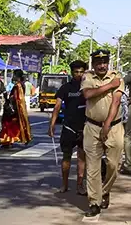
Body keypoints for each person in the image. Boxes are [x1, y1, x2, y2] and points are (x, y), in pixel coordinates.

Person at [81, 48, 125, 218]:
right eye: (98, 63)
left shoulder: (117, 76)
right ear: (93, 64)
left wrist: (107, 125)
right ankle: (94, 202)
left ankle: (105, 191)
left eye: (104, 62)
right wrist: (109, 86)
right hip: (92, 127)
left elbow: (116, 101)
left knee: (114, 165)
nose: (101, 65)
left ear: (108, 63)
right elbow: (87, 94)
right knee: (92, 167)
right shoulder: (88, 77)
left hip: (113, 127)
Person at [49, 60, 88, 195]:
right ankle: (64, 184)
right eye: (76, 72)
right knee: (66, 157)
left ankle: (80, 185)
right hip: (68, 127)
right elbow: (57, 106)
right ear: (71, 72)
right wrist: (52, 125)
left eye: (81, 71)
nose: (78, 74)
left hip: (84, 127)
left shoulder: (88, 87)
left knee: (82, 158)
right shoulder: (65, 88)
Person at [0, 69, 33, 147]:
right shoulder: (21, 85)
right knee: (14, 125)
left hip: (14, 109)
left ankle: (7, 140)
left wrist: (7, 97)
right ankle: (10, 139)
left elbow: (15, 98)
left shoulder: (18, 86)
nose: (12, 76)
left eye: (13, 75)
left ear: (16, 76)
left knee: (8, 124)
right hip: (17, 108)